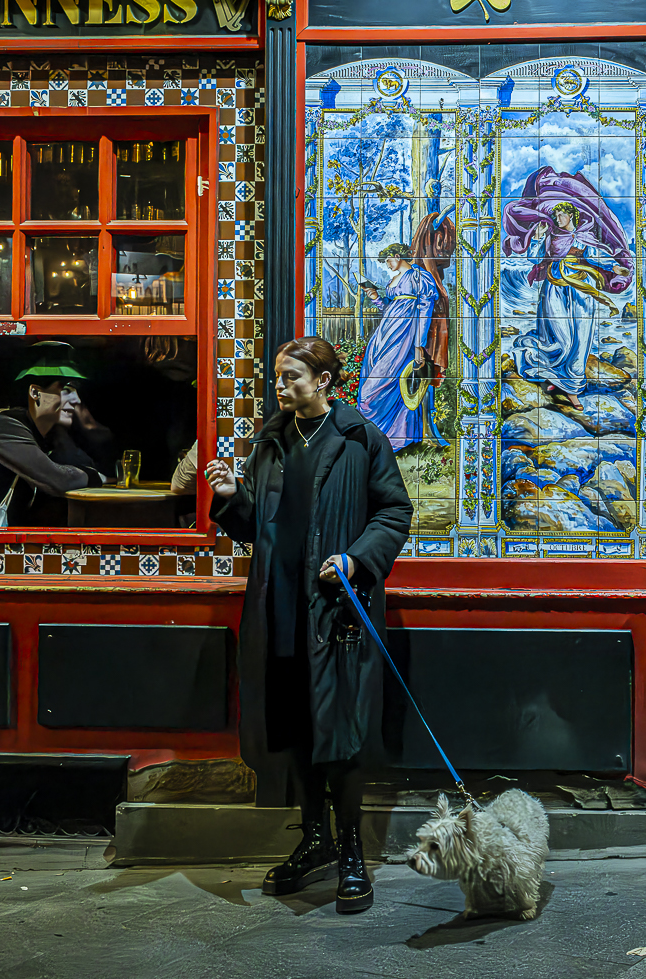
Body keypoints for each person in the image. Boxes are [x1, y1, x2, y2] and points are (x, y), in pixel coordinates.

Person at [205, 337, 412, 915]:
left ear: (323, 381)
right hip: (279, 607)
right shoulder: (271, 442)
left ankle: (351, 853)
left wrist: (355, 558)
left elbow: (394, 511)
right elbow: (255, 526)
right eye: (277, 375)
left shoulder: (360, 438)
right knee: (295, 728)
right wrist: (231, 497)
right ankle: (314, 841)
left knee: (340, 735)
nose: (280, 385)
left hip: (335, 610)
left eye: (291, 376)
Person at [0, 341, 115, 529]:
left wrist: (79, 435)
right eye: (66, 389)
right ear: (35, 392)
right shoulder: (5, 427)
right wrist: (96, 477)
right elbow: (59, 480)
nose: (75, 399)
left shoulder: (50, 435)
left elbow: (81, 465)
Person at [500, 167, 634, 411]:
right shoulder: (550, 235)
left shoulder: (585, 236)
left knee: (580, 341)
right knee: (559, 337)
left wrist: (617, 269)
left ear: (571, 215)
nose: (557, 217)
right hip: (554, 289)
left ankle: (571, 388)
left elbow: (598, 259)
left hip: (581, 293)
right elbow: (533, 258)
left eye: (561, 214)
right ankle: (551, 376)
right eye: (556, 214)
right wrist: (537, 237)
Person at [356, 244, 448, 449]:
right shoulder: (394, 279)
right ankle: (378, 438)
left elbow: (424, 312)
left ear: (398, 256)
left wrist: (418, 345)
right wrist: (376, 298)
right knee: (375, 380)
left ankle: (396, 437)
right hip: (384, 334)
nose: (388, 265)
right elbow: (391, 308)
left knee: (380, 386)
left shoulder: (419, 277)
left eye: (389, 260)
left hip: (404, 336)